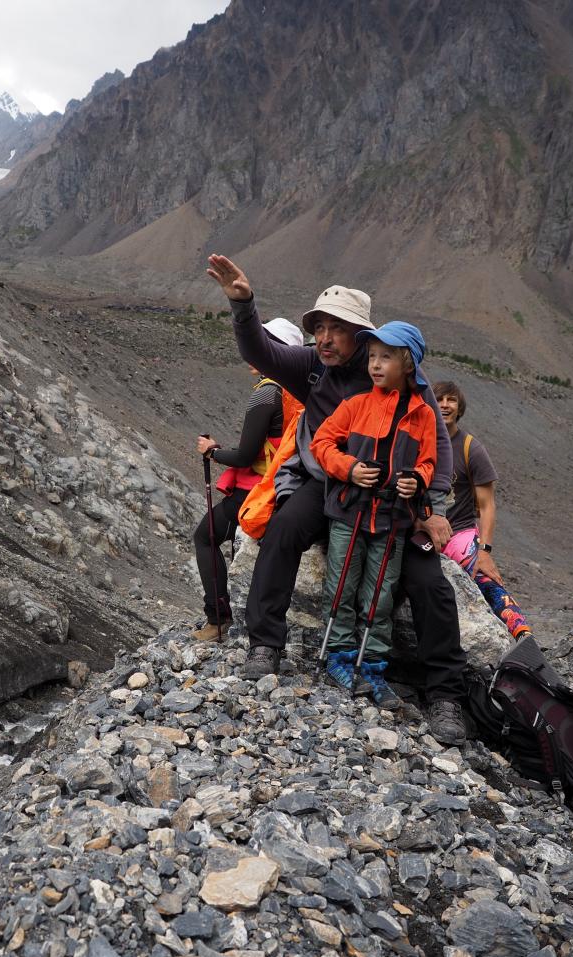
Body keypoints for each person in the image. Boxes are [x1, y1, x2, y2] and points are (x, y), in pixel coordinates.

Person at [205, 254, 469, 746]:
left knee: (428, 581)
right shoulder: (310, 367)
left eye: (335, 329)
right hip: (327, 485)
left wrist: (429, 510)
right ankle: (265, 644)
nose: (323, 338)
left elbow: (439, 447)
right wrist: (244, 305)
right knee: (283, 531)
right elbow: (262, 352)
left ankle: (445, 695)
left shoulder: (402, 382)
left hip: (390, 498)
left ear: (363, 336)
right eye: (318, 327)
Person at [311, 322, 436, 708]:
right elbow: (322, 443)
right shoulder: (356, 405)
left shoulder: (424, 416)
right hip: (351, 512)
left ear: (408, 363)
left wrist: (417, 480)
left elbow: (428, 462)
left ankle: (372, 668)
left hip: (392, 518)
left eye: (385, 357)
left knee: (381, 595)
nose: (375, 365)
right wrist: (349, 469)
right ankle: (339, 658)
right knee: (342, 585)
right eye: (372, 358)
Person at [191, 317, 304, 641]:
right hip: (292, 485)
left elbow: (244, 456)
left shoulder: (266, 394)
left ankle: (217, 620)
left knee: (205, 537)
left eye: (263, 344)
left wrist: (212, 451)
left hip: (259, 489)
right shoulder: (299, 389)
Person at [434, 380, 533, 642]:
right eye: (439, 399)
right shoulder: (417, 442)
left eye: (451, 400)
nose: (444, 405)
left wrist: (485, 551)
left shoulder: (471, 449)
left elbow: (487, 506)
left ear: (460, 407)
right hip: (425, 531)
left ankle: (522, 635)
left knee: (486, 577)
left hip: (460, 534)